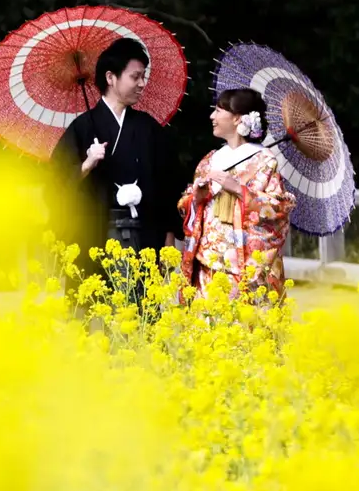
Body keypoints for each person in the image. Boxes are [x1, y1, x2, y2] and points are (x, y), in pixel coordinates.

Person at [50, 37, 180, 297]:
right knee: (93, 311)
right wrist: (86, 164)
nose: (142, 84)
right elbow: (55, 183)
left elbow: (168, 183)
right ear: (111, 77)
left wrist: (169, 237)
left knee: (140, 312)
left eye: (144, 77)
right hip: (96, 230)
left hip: (144, 232)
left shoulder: (149, 128)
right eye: (135, 77)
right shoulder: (83, 127)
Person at [176, 87, 295, 298]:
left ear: (237, 119)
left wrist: (239, 190)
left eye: (219, 110)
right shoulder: (211, 159)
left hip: (243, 264)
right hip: (208, 260)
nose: (212, 116)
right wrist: (197, 199)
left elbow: (278, 210)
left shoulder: (264, 161)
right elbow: (187, 204)